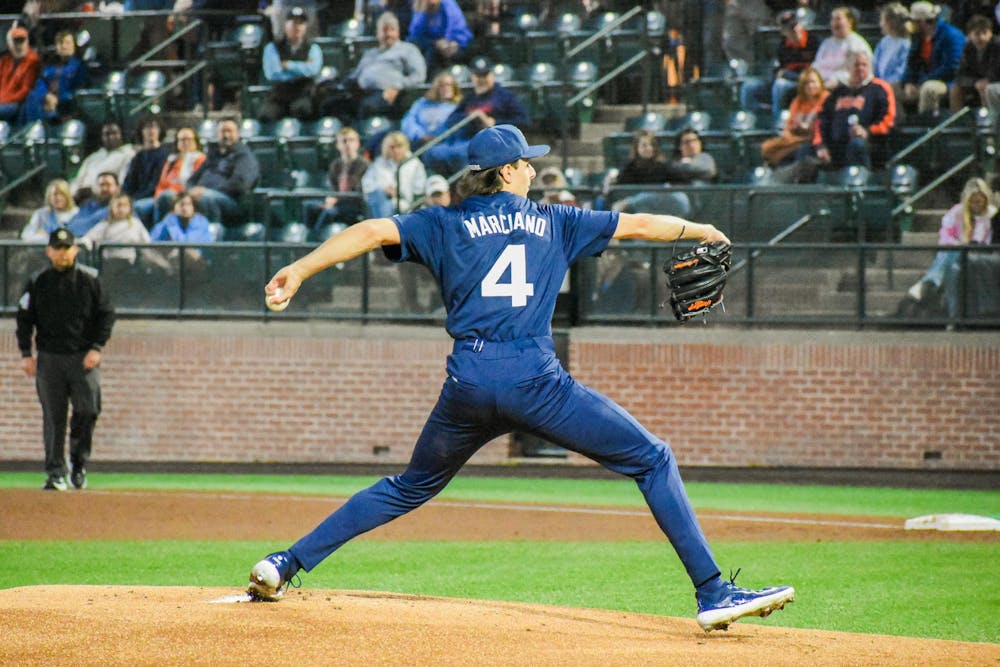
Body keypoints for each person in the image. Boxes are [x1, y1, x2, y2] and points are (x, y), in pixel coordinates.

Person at [248, 123, 795, 634]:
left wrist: (299, 270)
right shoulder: (557, 219)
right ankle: (713, 591)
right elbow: (642, 226)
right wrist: (704, 229)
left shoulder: (444, 221)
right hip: (535, 381)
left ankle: (284, 562)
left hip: (467, 382)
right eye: (527, 163)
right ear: (507, 171)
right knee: (652, 458)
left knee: (409, 487)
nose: (534, 170)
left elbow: (370, 230)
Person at [16, 227, 115, 492]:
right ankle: (55, 472)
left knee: (88, 410)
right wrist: (26, 353)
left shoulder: (91, 280)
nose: (62, 253)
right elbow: (24, 319)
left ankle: (78, 462)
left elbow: (106, 315)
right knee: (54, 417)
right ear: (49, 251)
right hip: (50, 359)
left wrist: (96, 348)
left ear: (75, 250)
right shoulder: (38, 282)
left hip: (84, 358)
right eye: (57, 248)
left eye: (67, 248)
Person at [422, 56, 532, 175]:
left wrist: (495, 123)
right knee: (431, 153)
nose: (482, 79)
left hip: (492, 142)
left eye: (485, 75)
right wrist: (470, 116)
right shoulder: (469, 98)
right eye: (478, 76)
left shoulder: (504, 96)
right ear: (472, 77)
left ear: (491, 75)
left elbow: (523, 121)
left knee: (463, 155)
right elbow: (451, 121)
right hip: (464, 139)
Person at [906, 177, 995, 317]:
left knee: (954, 254)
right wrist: (959, 245)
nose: (975, 205)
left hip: (977, 256)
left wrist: (980, 222)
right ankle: (951, 313)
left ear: (985, 199)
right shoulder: (957, 211)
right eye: (972, 201)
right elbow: (944, 237)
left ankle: (927, 283)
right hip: (954, 253)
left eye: (979, 201)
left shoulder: (990, 215)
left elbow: (985, 242)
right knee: (951, 255)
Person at [322, 11, 426, 120]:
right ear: (378, 33)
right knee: (330, 104)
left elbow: (419, 76)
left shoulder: (408, 50)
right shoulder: (370, 53)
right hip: (360, 92)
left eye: (392, 30)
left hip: (386, 94)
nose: (388, 34)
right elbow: (356, 75)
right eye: (384, 30)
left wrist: (397, 87)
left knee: (367, 107)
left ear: (398, 32)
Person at [812, 49, 895, 173]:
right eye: (856, 65)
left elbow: (889, 121)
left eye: (864, 65)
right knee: (806, 150)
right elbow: (821, 121)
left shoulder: (880, 88)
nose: (860, 68)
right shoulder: (837, 93)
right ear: (848, 67)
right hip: (836, 146)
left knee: (857, 145)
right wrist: (820, 146)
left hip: (870, 145)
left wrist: (867, 132)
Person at [739, 9, 821, 118]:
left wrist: (787, 75)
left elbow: (816, 73)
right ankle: (753, 120)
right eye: (788, 28)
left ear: (800, 25)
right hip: (786, 80)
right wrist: (782, 74)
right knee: (749, 86)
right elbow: (778, 70)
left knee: (780, 85)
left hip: (803, 83)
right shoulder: (783, 46)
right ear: (783, 32)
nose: (793, 30)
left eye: (795, 25)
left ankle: (777, 121)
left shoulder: (814, 41)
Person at [184, 118, 260, 225]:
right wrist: (190, 190)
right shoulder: (213, 155)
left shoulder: (244, 156)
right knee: (168, 197)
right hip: (203, 195)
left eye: (230, 131)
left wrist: (205, 191)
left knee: (207, 197)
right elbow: (192, 180)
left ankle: (211, 236)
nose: (226, 135)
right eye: (223, 131)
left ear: (238, 133)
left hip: (231, 201)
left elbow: (240, 184)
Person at [260, 5, 323, 122]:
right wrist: (302, 68)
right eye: (293, 23)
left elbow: (313, 70)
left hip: (302, 94)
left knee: (303, 110)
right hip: (279, 95)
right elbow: (273, 73)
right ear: (286, 25)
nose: (297, 27)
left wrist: (288, 65)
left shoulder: (313, 48)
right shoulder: (272, 47)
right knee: (266, 116)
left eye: (301, 23)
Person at [900, 1, 965, 115]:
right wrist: (908, 82)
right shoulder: (918, 37)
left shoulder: (951, 35)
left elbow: (951, 67)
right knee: (891, 89)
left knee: (928, 89)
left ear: (922, 22)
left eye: (913, 21)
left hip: (947, 82)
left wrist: (922, 81)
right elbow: (912, 63)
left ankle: (927, 126)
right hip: (924, 79)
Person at [761, 67, 829, 167]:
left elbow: (825, 124)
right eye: (806, 83)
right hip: (796, 137)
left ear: (820, 83)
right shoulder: (798, 101)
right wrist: (790, 134)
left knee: (780, 154)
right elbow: (789, 126)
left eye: (813, 82)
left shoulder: (826, 98)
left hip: (815, 139)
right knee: (766, 147)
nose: (810, 86)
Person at [21, 29, 87, 124]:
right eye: (60, 43)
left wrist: (57, 100)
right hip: (45, 101)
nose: (64, 46)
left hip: (64, 104)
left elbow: (78, 89)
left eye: (67, 43)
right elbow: (40, 82)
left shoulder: (79, 66)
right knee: (31, 97)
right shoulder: (49, 66)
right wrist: (46, 96)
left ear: (74, 46)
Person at [313, 126, 369, 228]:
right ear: (338, 145)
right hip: (338, 201)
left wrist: (336, 199)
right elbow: (332, 187)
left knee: (328, 212)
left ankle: (316, 240)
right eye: (344, 141)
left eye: (351, 140)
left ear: (358, 143)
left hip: (355, 203)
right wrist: (331, 198)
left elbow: (359, 190)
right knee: (310, 207)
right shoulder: (336, 165)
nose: (347, 144)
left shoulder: (364, 164)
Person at [362, 130, 427, 218]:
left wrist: (398, 192)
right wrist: (383, 189)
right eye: (392, 147)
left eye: (399, 146)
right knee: (377, 197)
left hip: (405, 204)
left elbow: (419, 189)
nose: (396, 150)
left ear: (405, 146)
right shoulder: (379, 163)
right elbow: (366, 183)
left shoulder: (414, 163)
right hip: (382, 200)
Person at [70, 122, 136, 204]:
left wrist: (93, 191)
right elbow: (78, 180)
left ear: (120, 135)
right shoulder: (93, 157)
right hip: (79, 197)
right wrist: (74, 192)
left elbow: (121, 183)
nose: (111, 137)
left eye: (114, 133)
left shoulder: (128, 155)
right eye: (107, 134)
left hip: (104, 197)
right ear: (102, 137)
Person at [123, 117, 171, 227]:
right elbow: (129, 182)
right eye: (147, 128)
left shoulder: (165, 155)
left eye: (154, 127)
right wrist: (125, 198)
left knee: (135, 208)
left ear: (159, 131)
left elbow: (156, 184)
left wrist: (134, 199)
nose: (151, 131)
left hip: (154, 197)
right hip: (135, 197)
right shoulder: (137, 157)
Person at [152, 126, 207, 222]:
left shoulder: (201, 159)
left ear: (196, 142)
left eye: (189, 139)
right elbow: (162, 183)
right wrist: (158, 197)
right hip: (165, 195)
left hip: (185, 196)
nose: (185, 143)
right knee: (139, 206)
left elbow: (196, 183)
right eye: (182, 140)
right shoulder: (172, 160)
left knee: (166, 197)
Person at [149, 191, 215, 269]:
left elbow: (186, 244)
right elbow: (152, 243)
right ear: (174, 208)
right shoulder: (168, 220)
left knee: (185, 252)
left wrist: (172, 225)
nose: (185, 208)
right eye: (181, 204)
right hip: (171, 263)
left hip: (197, 263)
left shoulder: (200, 221)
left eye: (189, 204)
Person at [812, 6, 873, 90]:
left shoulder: (857, 44)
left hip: (842, 87)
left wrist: (837, 80)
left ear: (849, 22)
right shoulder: (827, 43)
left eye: (838, 19)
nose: (834, 23)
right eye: (832, 19)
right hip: (819, 84)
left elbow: (861, 73)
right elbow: (816, 65)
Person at [950, 14, 1000, 112]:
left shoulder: (997, 46)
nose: (981, 37)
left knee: (984, 87)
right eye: (977, 34)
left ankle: (988, 121)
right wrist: (973, 82)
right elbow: (961, 73)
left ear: (991, 33)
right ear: (969, 35)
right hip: (977, 81)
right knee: (955, 89)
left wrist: (987, 80)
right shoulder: (968, 47)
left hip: (995, 81)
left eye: (985, 33)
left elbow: (996, 71)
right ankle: (957, 123)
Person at [400, 69, 461, 149]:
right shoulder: (422, 103)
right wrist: (420, 135)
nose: (446, 88)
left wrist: (437, 137)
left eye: (449, 85)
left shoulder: (458, 106)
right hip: (418, 142)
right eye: (442, 85)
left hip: (444, 145)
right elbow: (408, 121)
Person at [407, 0, 473, 73]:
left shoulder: (448, 3)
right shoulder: (420, 5)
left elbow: (457, 26)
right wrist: (422, 12)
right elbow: (414, 34)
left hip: (456, 43)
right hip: (432, 46)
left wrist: (449, 40)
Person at [0, 25, 41, 123]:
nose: (19, 46)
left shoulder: (33, 61)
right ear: (10, 45)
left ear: (27, 42)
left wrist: (4, 100)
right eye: (16, 42)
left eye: (22, 41)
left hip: (16, 103)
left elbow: (25, 90)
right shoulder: (5, 61)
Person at [20, 178, 79, 242]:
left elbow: (80, 237)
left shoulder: (77, 213)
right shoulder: (41, 214)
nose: (58, 198)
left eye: (61, 194)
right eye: (54, 195)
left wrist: (50, 235)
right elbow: (26, 235)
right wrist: (47, 237)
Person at [68, 171, 121, 238]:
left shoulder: (124, 207)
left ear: (117, 188)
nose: (104, 189)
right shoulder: (89, 205)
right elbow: (72, 226)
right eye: (101, 185)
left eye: (108, 185)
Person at [872, 3, 913, 86]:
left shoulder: (906, 44)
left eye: (883, 21)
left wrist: (885, 84)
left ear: (892, 23)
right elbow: (874, 65)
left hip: (894, 84)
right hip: (878, 83)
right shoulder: (883, 42)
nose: (881, 24)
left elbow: (901, 71)